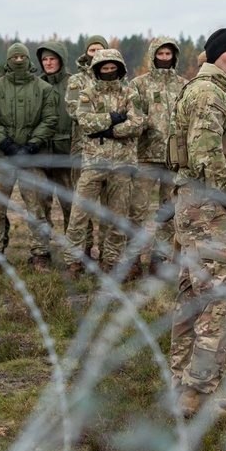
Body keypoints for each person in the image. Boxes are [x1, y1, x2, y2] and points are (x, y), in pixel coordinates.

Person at [169, 27, 226, 418]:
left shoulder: (218, 92)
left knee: (193, 297)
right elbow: (206, 157)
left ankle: (182, 390)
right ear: (214, 55)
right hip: (209, 208)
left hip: (196, 206)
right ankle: (196, 393)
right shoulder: (208, 93)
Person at [64, 48, 144, 277]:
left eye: (112, 68)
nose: (109, 72)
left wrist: (110, 132)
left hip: (122, 163)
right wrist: (111, 118)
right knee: (79, 214)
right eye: (104, 69)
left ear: (119, 69)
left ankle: (110, 263)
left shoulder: (130, 93)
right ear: (97, 70)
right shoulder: (87, 93)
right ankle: (73, 262)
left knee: (117, 218)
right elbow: (84, 120)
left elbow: (137, 124)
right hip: (93, 163)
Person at [0, 43, 59, 271]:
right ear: (8, 60)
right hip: (2, 157)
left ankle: (40, 255)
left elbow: (50, 120)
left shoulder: (43, 88)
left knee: (37, 209)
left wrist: (31, 147)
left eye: (22, 57)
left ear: (28, 60)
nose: (18, 61)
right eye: (14, 57)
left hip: (32, 158)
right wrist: (7, 145)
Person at [129, 37, 187, 275]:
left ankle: (159, 259)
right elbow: (133, 114)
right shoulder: (138, 84)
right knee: (137, 209)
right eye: (160, 54)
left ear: (174, 56)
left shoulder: (183, 85)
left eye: (168, 54)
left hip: (174, 159)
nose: (164, 58)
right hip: (145, 157)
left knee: (169, 210)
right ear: (152, 56)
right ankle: (132, 260)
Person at [65, 35, 109, 259]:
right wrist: (108, 119)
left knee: (109, 207)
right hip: (82, 149)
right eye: (92, 50)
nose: (96, 54)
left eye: (100, 50)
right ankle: (82, 252)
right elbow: (74, 112)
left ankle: (106, 252)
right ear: (86, 53)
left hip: (112, 152)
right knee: (82, 207)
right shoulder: (76, 81)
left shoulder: (120, 79)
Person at [37, 41, 76, 237]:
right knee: (41, 203)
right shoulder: (36, 84)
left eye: (52, 58)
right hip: (42, 153)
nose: (48, 63)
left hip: (66, 153)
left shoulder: (73, 83)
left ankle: (77, 251)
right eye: (44, 59)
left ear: (61, 60)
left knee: (71, 204)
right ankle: (42, 250)